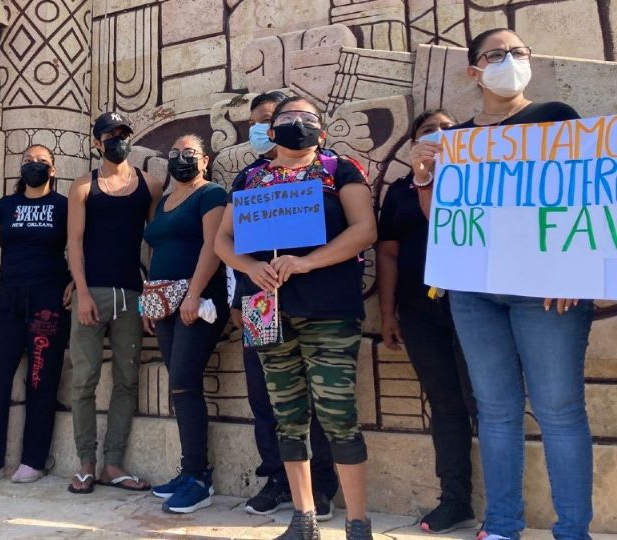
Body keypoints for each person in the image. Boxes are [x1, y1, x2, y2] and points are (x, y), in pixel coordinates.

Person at [413, 28, 594, 540]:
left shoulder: (556, 119)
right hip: (474, 290)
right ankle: (501, 526)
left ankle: (573, 530)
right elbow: (441, 220)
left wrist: (576, 271)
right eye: (497, 54)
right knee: (494, 411)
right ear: (475, 71)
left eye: (518, 53)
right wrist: (425, 177)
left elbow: (584, 199)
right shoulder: (459, 138)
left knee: (559, 409)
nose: (510, 60)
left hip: (547, 289)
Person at [215, 96, 377, 540]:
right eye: (287, 118)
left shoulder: (340, 170)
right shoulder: (250, 177)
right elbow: (223, 241)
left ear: (321, 131)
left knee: (338, 412)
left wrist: (308, 262)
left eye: (307, 118)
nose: (296, 124)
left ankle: (358, 521)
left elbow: (364, 230)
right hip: (265, 308)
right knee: (285, 413)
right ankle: (303, 516)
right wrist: (248, 266)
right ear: (272, 129)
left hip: (328, 307)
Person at [234, 91, 340, 519]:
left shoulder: (328, 170)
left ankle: (321, 487)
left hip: (315, 300)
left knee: (319, 399)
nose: (265, 128)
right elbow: (234, 240)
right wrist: (243, 288)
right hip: (260, 301)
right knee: (265, 396)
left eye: (269, 118)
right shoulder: (249, 177)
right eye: (257, 122)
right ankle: (277, 479)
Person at [376, 110, 477, 534]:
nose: (439, 135)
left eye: (448, 128)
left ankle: (507, 506)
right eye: (428, 131)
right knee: (446, 406)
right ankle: (454, 500)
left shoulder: (478, 179)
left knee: (489, 405)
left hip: (476, 307)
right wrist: (387, 314)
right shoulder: (399, 191)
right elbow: (387, 254)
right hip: (419, 311)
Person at [0, 144, 73, 486]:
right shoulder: (4, 206)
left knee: (41, 378)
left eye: (42, 161)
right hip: (7, 298)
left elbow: (80, 247)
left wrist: (75, 283)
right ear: (19, 169)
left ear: (53, 170)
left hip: (48, 300)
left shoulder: (64, 206)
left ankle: (33, 460)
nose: (35, 165)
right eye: (29, 161)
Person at [66, 111, 163, 494]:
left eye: (123, 134)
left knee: (127, 379)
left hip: (132, 295)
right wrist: (82, 291)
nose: (118, 141)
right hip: (93, 294)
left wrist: (153, 292)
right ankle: (86, 464)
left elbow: (155, 241)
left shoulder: (150, 185)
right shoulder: (82, 187)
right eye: (110, 135)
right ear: (97, 142)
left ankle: (113, 464)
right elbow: (74, 242)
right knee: (84, 380)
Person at [143, 134, 228, 513]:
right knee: (178, 388)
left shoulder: (211, 194)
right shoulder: (163, 202)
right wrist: (151, 303)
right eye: (174, 153)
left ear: (205, 160)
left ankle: (199, 478)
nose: (180, 159)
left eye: (188, 153)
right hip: (162, 301)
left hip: (199, 300)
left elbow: (213, 246)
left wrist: (193, 294)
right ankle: (188, 469)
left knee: (183, 382)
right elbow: (157, 249)